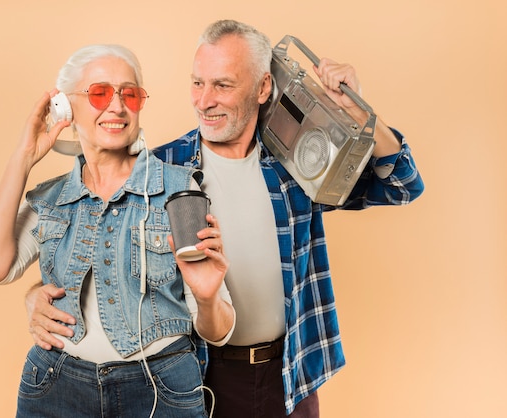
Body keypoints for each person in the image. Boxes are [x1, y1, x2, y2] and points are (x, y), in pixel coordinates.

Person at [24, 20, 425, 418]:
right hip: (198, 376)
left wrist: (356, 111)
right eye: (197, 83)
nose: (204, 100)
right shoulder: (161, 168)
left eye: (222, 85)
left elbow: (402, 185)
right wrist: (35, 296)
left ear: (263, 88)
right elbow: (95, 248)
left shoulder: (299, 168)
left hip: (290, 375)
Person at [0, 43, 235, 418]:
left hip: (161, 389)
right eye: (99, 92)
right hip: (56, 388)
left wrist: (207, 300)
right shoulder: (51, 199)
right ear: (65, 107)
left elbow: (219, 331)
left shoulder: (180, 191)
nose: (117, 105)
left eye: (129, 93)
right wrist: (24, 157)